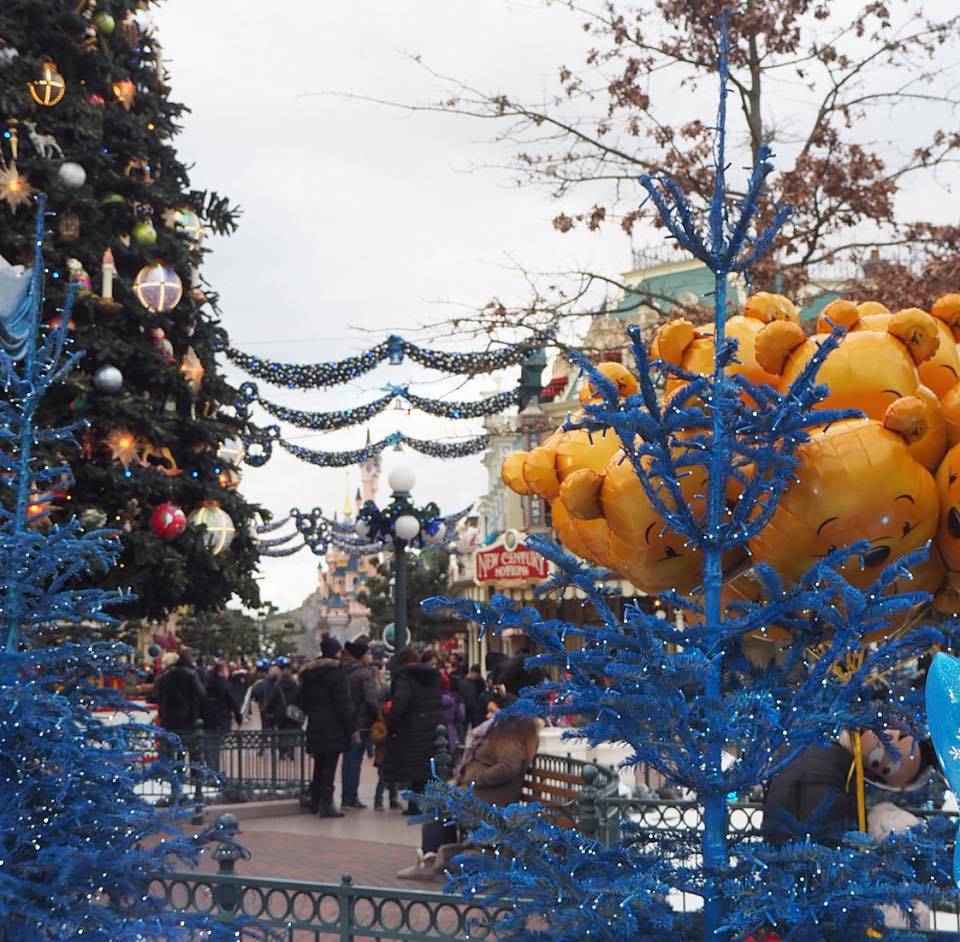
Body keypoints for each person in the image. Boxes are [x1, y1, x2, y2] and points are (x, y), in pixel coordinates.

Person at [397, 692, 541, 879]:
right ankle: (437, 858)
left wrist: (477, 779)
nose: (488, 716)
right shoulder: (504, 733)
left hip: (490, 801)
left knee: (440, 806)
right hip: (483, 796)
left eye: (493, 711)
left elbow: (508, 767)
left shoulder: (511, 736)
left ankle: (430, 859)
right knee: (441, 802)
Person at [383, 647, 443, 817]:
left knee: (415, 769)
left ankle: (415, 806)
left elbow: (400, 704)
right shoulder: (432, 676)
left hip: (412, 728)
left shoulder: (405, 678)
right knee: (425, 769)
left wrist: (391, 722)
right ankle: (423, 804)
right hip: (432, 725)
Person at [299, 636, 355, 817]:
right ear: (334, 653)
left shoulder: (309, 675)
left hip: (315, 725)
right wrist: (351, 728)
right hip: (334, 727)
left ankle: (315, 801)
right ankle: (326, 804)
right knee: (330, 766)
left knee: (319, 765)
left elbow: (303, 702)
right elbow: (343, 705)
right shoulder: (337, 674)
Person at [340, 635, 379, 809]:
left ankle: (345, 797)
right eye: (368, 653)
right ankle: (352, 797)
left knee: (348, 761)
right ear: (362, 656)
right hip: (362, 723)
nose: (370, 656)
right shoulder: (364, 674)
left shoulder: (343, 671)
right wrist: (379, 716)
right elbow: (371, 700)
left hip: (347, 722)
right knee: (355, 762)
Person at [154, 651, 208, 733]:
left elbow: (158, 693)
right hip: (187, 714)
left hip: (167, 713)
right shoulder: (191, 673)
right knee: (186, 736)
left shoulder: (164, 675)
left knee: (170, 736)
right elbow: (202, 694)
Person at [264, 665, 302, 761]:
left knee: (281, 733)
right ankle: (291, 751)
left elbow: (271, 700)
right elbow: (301, 700)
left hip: (280, 714)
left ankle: (282, 753)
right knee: (292, 733)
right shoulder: (296, 687)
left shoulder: (278, 687)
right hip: (293, 714)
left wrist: (268, 710)